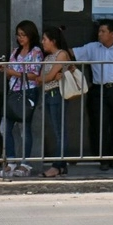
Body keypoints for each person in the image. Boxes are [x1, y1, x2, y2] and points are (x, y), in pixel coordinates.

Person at [73, 19, 113, 171]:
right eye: (99, 31)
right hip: (98, 89)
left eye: (103, 31)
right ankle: (102, 158)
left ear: (112, 33)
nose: (99, 34)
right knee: (99, 124)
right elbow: (72, 53)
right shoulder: (92, 48)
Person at [0, 20, 43, 178]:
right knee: (5, 127)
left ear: (30, 35)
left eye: (23, 35)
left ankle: (25, 164)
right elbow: (11, 72)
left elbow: (34, 74)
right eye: (18, 35)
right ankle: (11, 161)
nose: (20, 38)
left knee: (25, 128)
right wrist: (6, 71)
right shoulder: (15, 51)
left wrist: (12, 73)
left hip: (28, 91)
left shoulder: (36, 52)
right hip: (13, 91)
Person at [30, 25, 74, 178]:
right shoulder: (48, 57)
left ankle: (57, 166)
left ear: (53, 41)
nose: (42, 42)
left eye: (45, 39)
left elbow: (46, 77)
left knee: (59, 131)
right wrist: (47, 77)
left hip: (57, 94)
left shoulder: (61, 54)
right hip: (48, 94)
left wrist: (48, 77)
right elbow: (40, 79)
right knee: (57, 131)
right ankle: (61, 166)